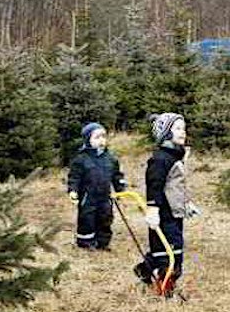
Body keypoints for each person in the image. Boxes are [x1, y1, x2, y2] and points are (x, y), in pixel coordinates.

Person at [137, 112, 202, 294]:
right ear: (166, 133)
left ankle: (144, 269)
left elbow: (176, 186)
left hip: (175, 214)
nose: (183, 132)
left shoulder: (175, 156)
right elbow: (155, 186)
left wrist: (186, 204)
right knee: (169, 254)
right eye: (178, 128)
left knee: (171, 249)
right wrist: (152, 209)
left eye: (184, 128)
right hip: (163, 215)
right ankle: (166, 288)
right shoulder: (160, 159)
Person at [67, 122, 127, 250]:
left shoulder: (110, 159)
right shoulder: (81, 159)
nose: (101, 140)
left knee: (105, 218)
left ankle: (102, 242)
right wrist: (73, 190)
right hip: (88, 197)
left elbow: (116, 175)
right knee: (87, 219)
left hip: (105, 196)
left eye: (103, 137)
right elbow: (74, 177)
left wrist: (120, 189)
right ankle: (86, 242)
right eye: (97, 137)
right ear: (88, 140)